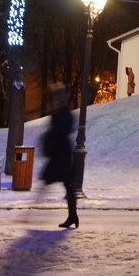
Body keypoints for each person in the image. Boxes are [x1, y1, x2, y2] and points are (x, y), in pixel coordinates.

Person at [41, 86, 78, 229]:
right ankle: (72, 216)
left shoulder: (61, 114)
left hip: (59, 153)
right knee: (67, 185)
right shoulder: (65, 113)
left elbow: (56, 131)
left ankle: (72, 216)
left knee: (49, 181)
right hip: (63, 152)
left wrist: (49, 145)